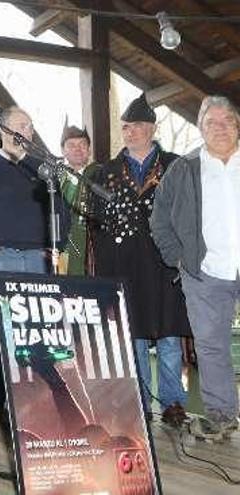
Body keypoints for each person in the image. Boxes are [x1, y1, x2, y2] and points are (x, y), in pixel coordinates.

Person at [0, 106, 69, 420]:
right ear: (3, 131)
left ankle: (32, 403)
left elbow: (61, 212)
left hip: (38, 260)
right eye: (22, 125)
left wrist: (54, 246)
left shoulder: (42, 170)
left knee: (36, 334)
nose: (28, 131)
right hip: (1, 259)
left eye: (31, 126)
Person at [89, 93, 191, 427]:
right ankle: (141, 401)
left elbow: (189, 214)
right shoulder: (106, 172)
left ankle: (174, 402)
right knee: (133, 334)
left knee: (169, 335)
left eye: (137, 126)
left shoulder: (176, 166)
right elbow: (97, 221)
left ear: (152, 128)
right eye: (126, 127)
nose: (130, 132)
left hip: (165, 263)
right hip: (125, 265)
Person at [151, 95, 240, 440]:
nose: (220, 128)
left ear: (237, 124)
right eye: (211, 122)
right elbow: (160, 220)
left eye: (227, 121)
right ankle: (222, 417)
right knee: (211, 346)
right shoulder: (183, 169)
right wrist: (180, 259)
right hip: (204, 272)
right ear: (201, 127)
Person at [58, 123, 98, 275]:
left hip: (90, 245)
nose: (78, 149)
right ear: (63, 150)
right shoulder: (55, 179)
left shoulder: (99, 175)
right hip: (61, 249)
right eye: (71, 145)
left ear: (89, 149)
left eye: (82, 145)